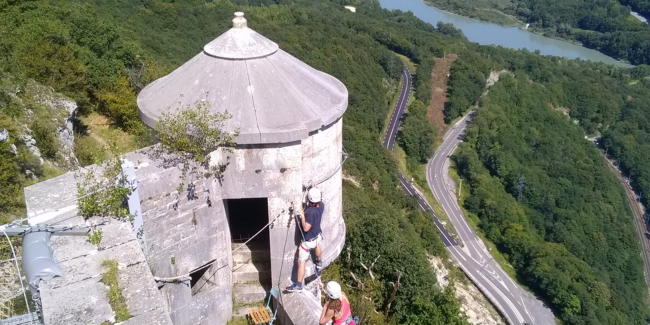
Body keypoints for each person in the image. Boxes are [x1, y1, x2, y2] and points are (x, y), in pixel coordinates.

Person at [286, 187, 324, 292]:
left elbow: (306, 228)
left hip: (309, 241)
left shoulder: (310, 212)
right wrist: (315, 190)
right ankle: (319, 262)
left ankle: (298, 285)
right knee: (317, 245)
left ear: (309, 198)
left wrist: (302, 216)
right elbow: (318, 200)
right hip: (317, 236)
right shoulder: (321, 206)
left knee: (301, 261)